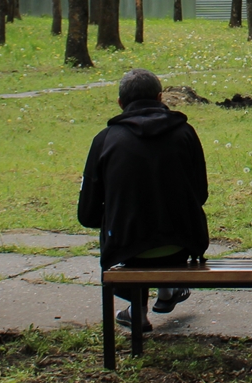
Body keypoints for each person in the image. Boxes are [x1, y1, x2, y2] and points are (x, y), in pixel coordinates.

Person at [78, 68, 210, 328]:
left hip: (128, 248)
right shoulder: (185, 133)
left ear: (120, 103)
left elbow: (88, 214)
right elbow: (200, 194)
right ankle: (167, 291)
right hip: (182, 242)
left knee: (133, 228)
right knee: (164, 223)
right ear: (161, 98)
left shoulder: (104, 140)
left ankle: (137, 309)